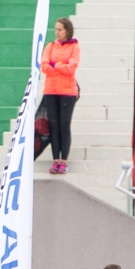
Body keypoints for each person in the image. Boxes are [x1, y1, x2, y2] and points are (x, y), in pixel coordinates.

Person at [39, 17, 81, 174]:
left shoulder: (75, 47)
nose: (56, 32)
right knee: (54, 126)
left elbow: (72, 68)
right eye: (55, 29)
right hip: (51, 90)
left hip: (67, 92)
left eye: (60, 29)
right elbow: (44, 66)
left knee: (64, 126)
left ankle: (64, 160)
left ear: (67, 30)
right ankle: (55, 159)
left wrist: (55, 64)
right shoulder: (50, 46)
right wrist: (59, 67)